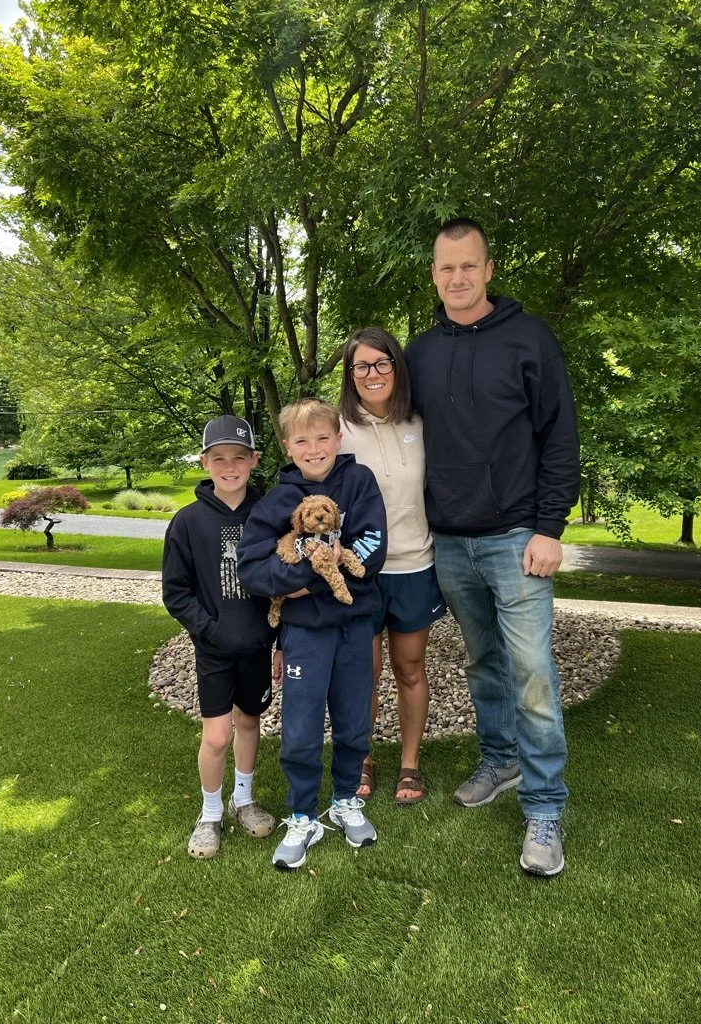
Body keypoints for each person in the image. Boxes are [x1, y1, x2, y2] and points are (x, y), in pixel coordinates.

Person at [404, 218, 580, 877]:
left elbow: (560, 437)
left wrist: (549, 527)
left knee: (533, 673)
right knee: (483, 665)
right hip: (449, 541)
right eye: (446, 268)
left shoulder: (529, 340)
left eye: (468, 266)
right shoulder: (419, 354)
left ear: (489, 268)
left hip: (516, 539)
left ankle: (544, 808)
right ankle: (501, 760)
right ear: (434, 274)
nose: (457, 278)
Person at [237, 398, 387, 871]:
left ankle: (345, 801)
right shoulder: (277, 502)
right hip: (303, 634)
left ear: (339, 440)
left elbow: (372, 547)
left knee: (353, 721)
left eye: (323, 437)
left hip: (354, 625)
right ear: (288, 447)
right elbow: (253, 568)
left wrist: (321, 577)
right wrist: (302, 582)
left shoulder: (359, 482)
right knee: (300, 730)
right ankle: (303, 815)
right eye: (302, 440)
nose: (315, 448)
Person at [162, 414, 281, 860]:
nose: (229, 466)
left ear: (253, 460)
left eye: (238, 457)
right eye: (218, 459)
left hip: (257, 645)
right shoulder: (188, 522)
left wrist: (280, 641)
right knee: (216, 737)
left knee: (250, 723)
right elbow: (176, 592)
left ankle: (243, 799)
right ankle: (210, 812)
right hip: (214, 649)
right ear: (205, 462)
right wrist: (210, 631)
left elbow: (283, 583)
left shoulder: (269, 514)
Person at [338, 326, 446, 805]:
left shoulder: (420, 423)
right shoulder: (337, 430)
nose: (372, 373)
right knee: (365, 669)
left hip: (414, 565)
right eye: (361, 365)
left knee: (409, 667)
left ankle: (409, 764)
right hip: (360, 570)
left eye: (382, 363)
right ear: (350, 374)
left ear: (397, 368)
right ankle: (361, 757)